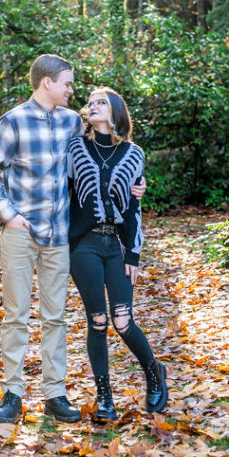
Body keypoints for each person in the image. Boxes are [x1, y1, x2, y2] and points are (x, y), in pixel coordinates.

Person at [0, 54, 85, 424]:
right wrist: (10, 216)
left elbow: (88, 169)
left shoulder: (73, 123)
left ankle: (55, 394)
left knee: (56, 317)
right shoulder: (14, 121)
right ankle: (13, 394)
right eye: (67, 83)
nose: (72, 90)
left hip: (58, 235)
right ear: (47, 84)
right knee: (16, 316)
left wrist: (132, 183)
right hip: (21, 235)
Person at [68, 87, 168, 421]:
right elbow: (62, 190)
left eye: (100, 102)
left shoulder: (133, 153)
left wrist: (134, 255)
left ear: (115, 111)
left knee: (122, 321)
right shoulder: (76, 147)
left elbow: (134, 207)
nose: (92, 106)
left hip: (119, 247)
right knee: (97, 322)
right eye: (90, 103)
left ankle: (154, 373)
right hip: (84, 246)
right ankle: (104, 398)